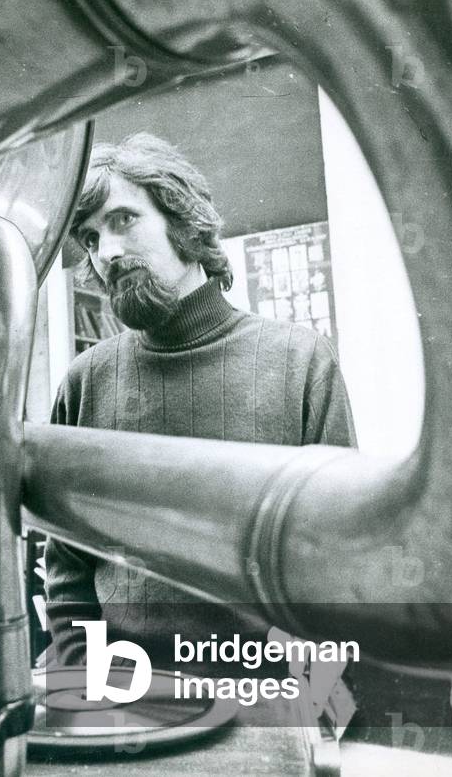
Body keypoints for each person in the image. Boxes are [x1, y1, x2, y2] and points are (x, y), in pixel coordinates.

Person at [43, 132, 358, 670]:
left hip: (263, 688)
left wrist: (306, 688)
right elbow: (68, 568)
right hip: (124, 688)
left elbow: (336, 556)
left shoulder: (301, 360)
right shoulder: (85, 381)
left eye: (124, 220)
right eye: (91, 238)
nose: (107, 253)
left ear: (184, 224)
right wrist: (85, 676)